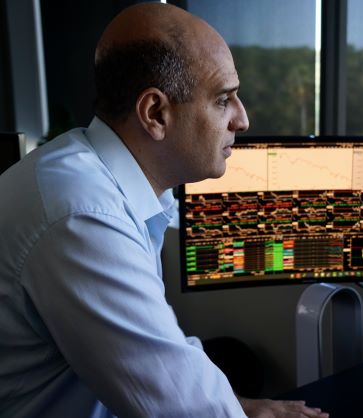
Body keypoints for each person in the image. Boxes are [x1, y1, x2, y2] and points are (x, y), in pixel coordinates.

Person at [0, 3, 328, 418]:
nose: (242, 119)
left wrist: (243, 407)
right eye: (223, 99)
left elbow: (159, 349)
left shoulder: (99, 177)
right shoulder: (84, 215)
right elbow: (179, 408)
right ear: (155, 113)